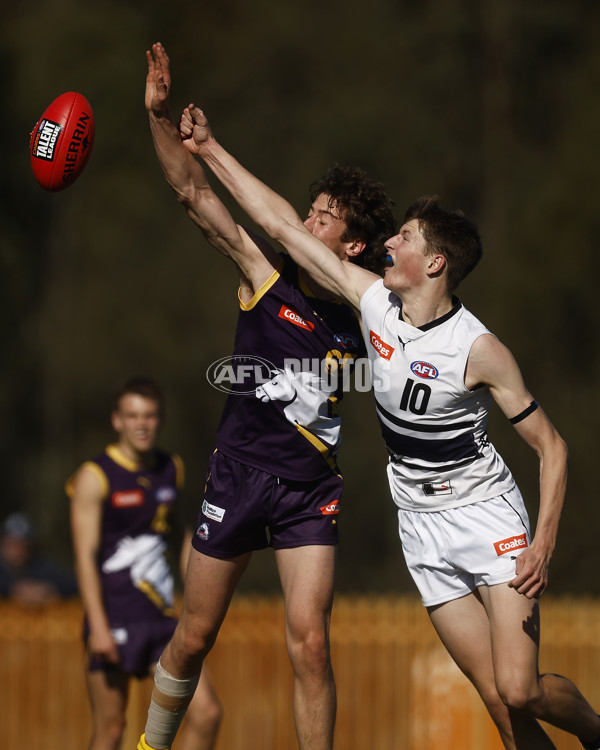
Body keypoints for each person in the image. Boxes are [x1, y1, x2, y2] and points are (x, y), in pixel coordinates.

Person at [182, 107, 600, 750]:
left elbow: (553, 447)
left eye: (404, 238)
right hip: (422, 526)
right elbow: (279, 225)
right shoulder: (374, 301)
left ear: (435, 264)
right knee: (498, 701)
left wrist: (542, 544)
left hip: (489, 516)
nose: (389, 245)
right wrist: (209, 148)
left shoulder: (478, 349)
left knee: (521, 689)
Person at [138, 43, 397, 750]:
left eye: (322, 217)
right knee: (194, 637)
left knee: (311, 644)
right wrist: (161, 119)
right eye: (308, 210)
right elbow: (194, 194)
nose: (305, 223)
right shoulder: (264, 275)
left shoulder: (369, 311)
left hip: (310, 490)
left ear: (352, 247)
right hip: (240, 473)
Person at [67, 377, 222, 750]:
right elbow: (84, 558)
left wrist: (197, 602)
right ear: (116, 420)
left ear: (160, 419)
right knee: (112, 729)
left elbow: (186, 536)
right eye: (133, 415)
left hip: (161, 622)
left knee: (207, 714)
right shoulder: (95, 476)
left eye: (150, 415)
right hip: (114, 619)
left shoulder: (172, 468)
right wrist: (99, 627)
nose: (142, 424)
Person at [0, 511, 77, 605]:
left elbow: (73, 584)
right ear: (3, 544)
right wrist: (13, 589)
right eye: (13, 545)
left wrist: (50, 589)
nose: (18, 551)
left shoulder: (40, 566)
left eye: (23, 546)